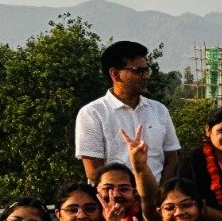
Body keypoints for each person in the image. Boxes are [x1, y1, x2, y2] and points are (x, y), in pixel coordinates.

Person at [74, 40, 180, 183]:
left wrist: (158, 193)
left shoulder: (159, 110)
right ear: (115, 74)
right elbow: (94, 171)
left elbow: (171, 160)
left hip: (157, 194)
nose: (146, 76)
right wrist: (127, 191)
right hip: (116, 195)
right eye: (138, 71)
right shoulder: (93, 113)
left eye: (146, 70)